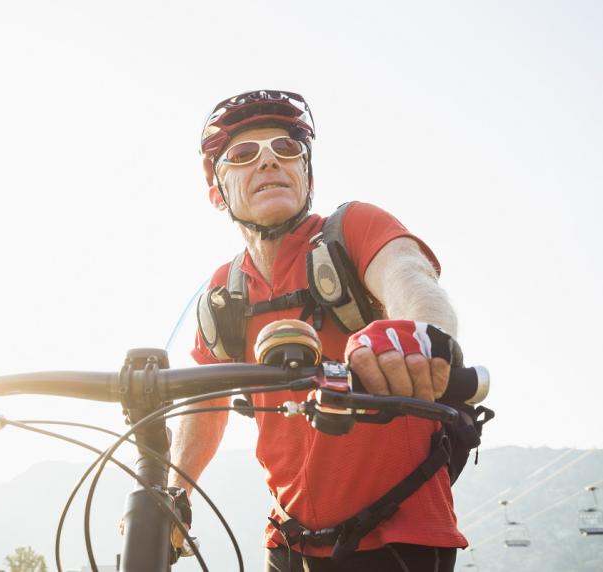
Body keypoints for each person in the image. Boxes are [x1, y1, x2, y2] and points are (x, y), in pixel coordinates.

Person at [169, 90, 466, 571]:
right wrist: (173, 493)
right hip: (289, 542)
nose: (268, 163)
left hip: (396, 537)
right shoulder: (225, 292)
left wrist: (419, 337)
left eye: (286, 150)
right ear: (216, 191)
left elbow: (409, 277)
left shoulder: (352, 229)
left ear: (306, 174)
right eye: (244, 156)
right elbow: (205, 402)